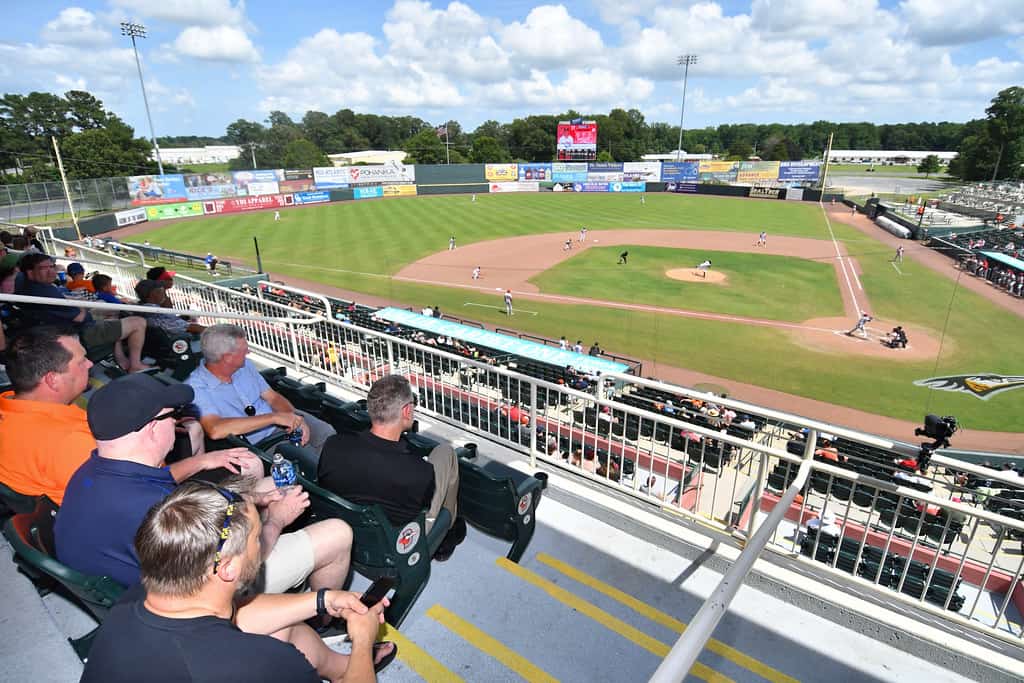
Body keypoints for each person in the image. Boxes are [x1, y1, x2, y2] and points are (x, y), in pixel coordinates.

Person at [57, 374, 354, 606]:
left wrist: (255, 496)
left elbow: (164, 483)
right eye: (171, 416)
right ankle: (322, 619)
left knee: (269, 485)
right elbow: (234, 572)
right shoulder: (156, 510)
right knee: (338, 533)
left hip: (149, 583)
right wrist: (277, 520)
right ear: (151, 429)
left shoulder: (92, 472)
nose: (177, 423)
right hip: (194, 605)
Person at [79, 480, 394, 683]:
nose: (263, 544)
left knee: (285, 628)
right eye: (257, 539)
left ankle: (342, 669)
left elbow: (238, 616)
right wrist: (362, 640)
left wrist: (323, 599)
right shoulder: (254, 663)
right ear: (228, 567)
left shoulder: (138, 597)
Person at [318, 375, 464, 559]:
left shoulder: (333, 445)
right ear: (407, 411)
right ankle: (447, 530)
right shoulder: (419, 472)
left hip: (347, 533)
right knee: (445, 452)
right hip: (397, 546)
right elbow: (422, 511)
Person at [186, 325, 336, 458]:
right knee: (307, 457)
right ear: (227, 358)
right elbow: (215, 429)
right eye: (244, 350)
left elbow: (273, 398)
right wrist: (274, 418)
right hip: (258, 443)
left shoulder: (245, 366)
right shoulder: (196, 387)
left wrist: (293, 418)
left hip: (280, 419)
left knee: (326, 433)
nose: (248, 352)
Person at [0, 327, 95, 504]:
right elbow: (115, 494)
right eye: (81, 361)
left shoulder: (7, 407)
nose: (90, 364)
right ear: (53, 380)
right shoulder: (72, 442)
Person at [15, 253, 150, 373]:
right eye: (44, 268)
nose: (51, 271)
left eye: (52, 266)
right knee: (138, 322)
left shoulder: (28, 286)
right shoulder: (45, 291)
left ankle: (120, 357)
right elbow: (80, 317)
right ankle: (135, 365)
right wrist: (82, 306)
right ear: (30, 272)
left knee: (113, 316)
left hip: (57, 329)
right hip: (79, 331)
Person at [137, 279, 205, 336]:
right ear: (154, 294)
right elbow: (191, 327)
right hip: (177, 341)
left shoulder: (141, 308)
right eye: (162, 291)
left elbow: (169, 321)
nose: (165, 294)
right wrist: (210, 330)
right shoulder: (155, 312)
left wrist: (184, 317)